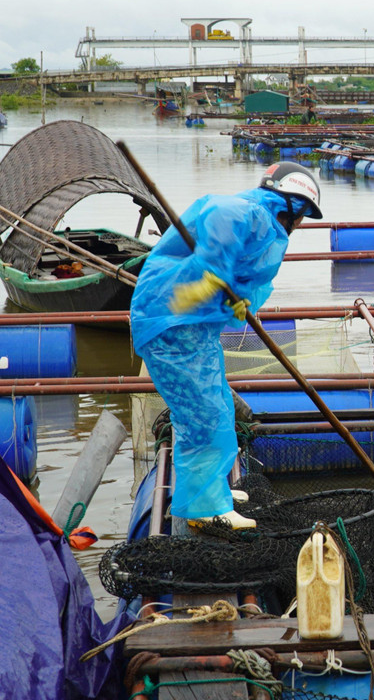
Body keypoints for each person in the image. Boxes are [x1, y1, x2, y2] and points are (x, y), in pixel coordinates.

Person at [130, 162, 323, 530]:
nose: (301, 224)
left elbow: (243, 279)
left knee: (217, 406)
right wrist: (212, 276)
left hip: (195, 330)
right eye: (303, 215)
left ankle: (212, 488)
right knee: (204, 417)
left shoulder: (264, 224)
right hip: (171, 324)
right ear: (291, 204)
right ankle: (203, 509)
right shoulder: (245, 211)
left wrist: (238, 300)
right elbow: (219, 228)